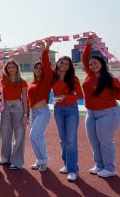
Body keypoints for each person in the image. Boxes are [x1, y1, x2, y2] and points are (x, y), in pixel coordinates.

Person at [82, 35, 120, 178]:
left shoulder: (110, 79)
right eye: (90, 64)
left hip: (108, 113)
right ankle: (99, 165)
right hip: (91, 114)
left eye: (95, 63)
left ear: (102, 63)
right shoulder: (89, 74)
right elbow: (85, 58)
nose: (92, 66)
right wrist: (89, 44)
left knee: (105, 141)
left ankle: (110, 168)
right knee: (93, 141)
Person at [50, 50, 83, 181]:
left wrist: (66, 97)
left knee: (71, 141)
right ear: (57, 64)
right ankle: (66, 164)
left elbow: (80, 96)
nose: (63, 65)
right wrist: (45, 49)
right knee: (63, 140)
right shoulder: (53, 77)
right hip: (58, 109)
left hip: (71, 110)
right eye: (61, 62)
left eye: (66, 64)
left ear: (69, 67)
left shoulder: (73, 79)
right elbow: (46, 65)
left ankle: (73, 170)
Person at [27, 39, 54, 172]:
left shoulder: (47, 80)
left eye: (41, 68)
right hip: (33, 113)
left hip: (43, 112)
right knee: (39, 137)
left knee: (33, 136)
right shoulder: (31, 83)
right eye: (36, 68)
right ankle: (40, 160)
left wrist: (45, 51)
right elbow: (28, 99)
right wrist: (27, 114)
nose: (39, 70)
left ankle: (43, 160)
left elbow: (48, 68)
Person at [0, 60, 29, 170]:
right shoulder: (2, 81)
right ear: (6, 69)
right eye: (9, 67)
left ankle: (16, 161)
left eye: (13, 67)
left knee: (19, 135)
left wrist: (26, 115)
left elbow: (25, 99)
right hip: (5, 107)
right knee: (5, 133)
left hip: (18, 107)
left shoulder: (22, 81)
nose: (11, 69)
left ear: (17, 68)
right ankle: (5, 157)